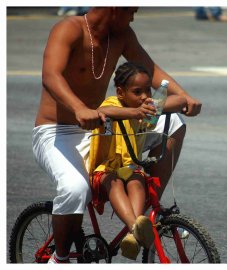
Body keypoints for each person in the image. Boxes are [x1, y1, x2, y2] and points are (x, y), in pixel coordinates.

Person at [32, 7, 201, 263]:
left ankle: (139, 219)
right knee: (76, 189)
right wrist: (79, 108)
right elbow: (50, 76)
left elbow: (151, 70)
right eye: (131, 10)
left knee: (174, 122)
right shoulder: (70, 28)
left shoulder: (122, 35)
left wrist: (185, 96)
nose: (133, 16)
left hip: (101, 125)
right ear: (114, 8)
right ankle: (60, 258)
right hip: (58, 130)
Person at [88, 61, 187, 260]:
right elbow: (105, 111)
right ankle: (135, 228)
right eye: (137, 91)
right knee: (114, 183)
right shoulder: (114, 104)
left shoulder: (146, 108)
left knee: (137, 181)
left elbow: (179, 101)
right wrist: (135, 112)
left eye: (148, 91)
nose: (144, 96)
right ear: (120, 92)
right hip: (104, 169)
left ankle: (134, 233)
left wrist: (158, 103)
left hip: (129, 166)